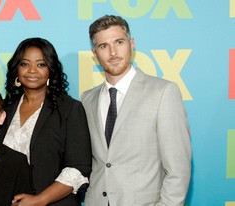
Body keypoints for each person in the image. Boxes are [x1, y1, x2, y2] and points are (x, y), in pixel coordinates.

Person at [81, 15, 191, 206]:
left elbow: (178, 169)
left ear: (131, 44)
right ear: (95, 53)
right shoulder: (87, 99)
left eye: (119, 42)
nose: (113, 52)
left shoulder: (163, 92)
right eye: (103, 46)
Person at [0, 37, 92, 206]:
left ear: (51, 70)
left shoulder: (69, 109)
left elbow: (78, 169)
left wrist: (39, 200)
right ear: (16, 69)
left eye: (41, 64)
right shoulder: (4, 109)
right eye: (25, 64)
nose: (32, 70)